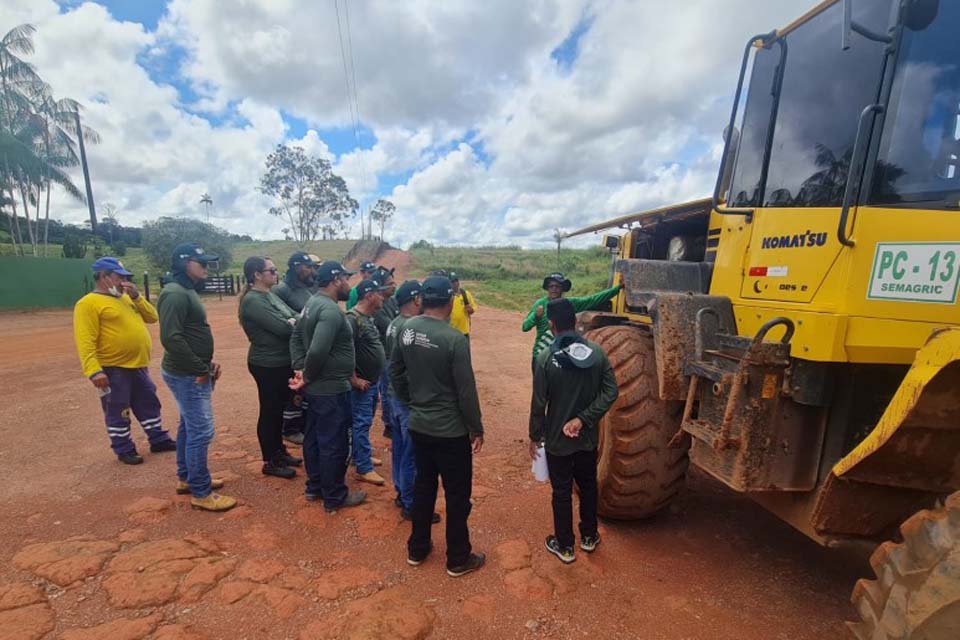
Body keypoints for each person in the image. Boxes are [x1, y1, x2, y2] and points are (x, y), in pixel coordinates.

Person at [391, 275, 485, 577]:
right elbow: (466, 390)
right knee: (457, 495)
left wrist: (411, 401)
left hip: (419, 425)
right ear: (450, 301)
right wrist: (476, 427)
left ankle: (417, 549)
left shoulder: (406, 329)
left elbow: (395, 371)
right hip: (450, 431)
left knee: (424, 486)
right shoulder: (454, 339)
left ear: (424, 299)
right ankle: (458, 558)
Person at [529, 298, 619, 564]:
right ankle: (589, 537)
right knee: (588, 486)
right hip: (588, 438)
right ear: (576, 322)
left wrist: (535, 436)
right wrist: (584, 418)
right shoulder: (598, 354)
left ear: (552, 325)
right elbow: (611, 392)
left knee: (561, 491)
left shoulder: (545, 359)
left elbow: (538, 403)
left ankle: (565, 546)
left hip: (558, 441)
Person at [73, 256, 176, 465]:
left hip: (138, 365)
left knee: (149, 402)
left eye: (126, 277)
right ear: (104, 276)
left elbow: (152, 317)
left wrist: (137, 297)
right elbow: (85, 340)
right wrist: (94, 370)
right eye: (119, 277)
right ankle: (123, 448)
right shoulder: (88, 304)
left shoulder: (126, 298)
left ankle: (158, 439)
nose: (124, 282)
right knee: (117, 408)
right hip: (112, 369)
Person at [157, 243, 235, 512]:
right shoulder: (175, 293)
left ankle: (187, 479)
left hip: (190, 369)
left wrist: (205, 362)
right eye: (200, 262)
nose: (206, 266)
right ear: (183, 263)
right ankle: (201, 492)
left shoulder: (185, 290)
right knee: (201, 430)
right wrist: (200, 368)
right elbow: (171, 337)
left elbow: (188, 333)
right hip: (187, 373)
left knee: (188, 426)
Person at [290, 260, 367, 514]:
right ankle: (334, 496)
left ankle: (315, 487)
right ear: (336, 280)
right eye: (346, 278)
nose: (348, 284)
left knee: (313, 437)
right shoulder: (331, 311)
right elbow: (319, 349)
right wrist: (307, 375)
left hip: (318, 388)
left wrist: (301, 369)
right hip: (330, 389)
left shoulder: (312, 303)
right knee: (334, 442)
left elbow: (296, 337)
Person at [238, 256, 304, 480]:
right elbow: (283, 328)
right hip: (267, 364)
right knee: (270, 412)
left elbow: (296, 317)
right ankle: (270, 460)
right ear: (257, 274)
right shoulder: (253, 301)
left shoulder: (269, 295)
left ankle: (278, 451)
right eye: (272, 270)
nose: (276, 274)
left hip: (280, 361)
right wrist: (292, 322)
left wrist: (293, 321)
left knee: (277, 411)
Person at [522, 273, 622, 371]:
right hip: (540, 354)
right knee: (541, 386)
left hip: (561, 355)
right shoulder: (540, 304)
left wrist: (618, 288)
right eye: (551, 286)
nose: (554, 289)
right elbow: (525, 327)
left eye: (557, 286)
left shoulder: (569, 304)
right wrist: (535, 316)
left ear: (562, 289)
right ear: (547, 288)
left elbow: (593, 299)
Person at [346, 277, 390, 486]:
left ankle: (360, 456)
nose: (383, 297)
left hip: (371, 383)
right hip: (361, 385)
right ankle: (363, 467)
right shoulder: (352, 319)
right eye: (379, 293)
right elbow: (345, 352)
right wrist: (353, 379)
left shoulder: (368, 317)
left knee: (366, 421)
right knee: (361, 423)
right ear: (369, 295)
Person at [272, 251, 317, 446]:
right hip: (292, 349)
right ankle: (289, 428)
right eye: (307, 266)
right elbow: (279, 318)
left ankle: (301, 425)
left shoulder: (305, 288)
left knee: (304, 390)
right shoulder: (282, 290)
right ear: (296, 267)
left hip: (307, 346)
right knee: (294, 391)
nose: (310, 270)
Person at [371, 267, 399, 438]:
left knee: (391, 388)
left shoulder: (391, 301)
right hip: (385, 355)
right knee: (388, 390)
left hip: (392, 353)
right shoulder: (378, 307)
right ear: (380, 287)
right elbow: (392, 327)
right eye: (390, 284)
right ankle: (389, 424)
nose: (394, 286)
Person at [448, 272, 476, 341]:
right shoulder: (447, 296)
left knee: (465, 351)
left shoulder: (465, 294)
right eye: (452, 282)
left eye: (456, 281)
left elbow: (473, 308)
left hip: (464, 332)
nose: (455, 283)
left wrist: (470, 310)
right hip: (450, 332)